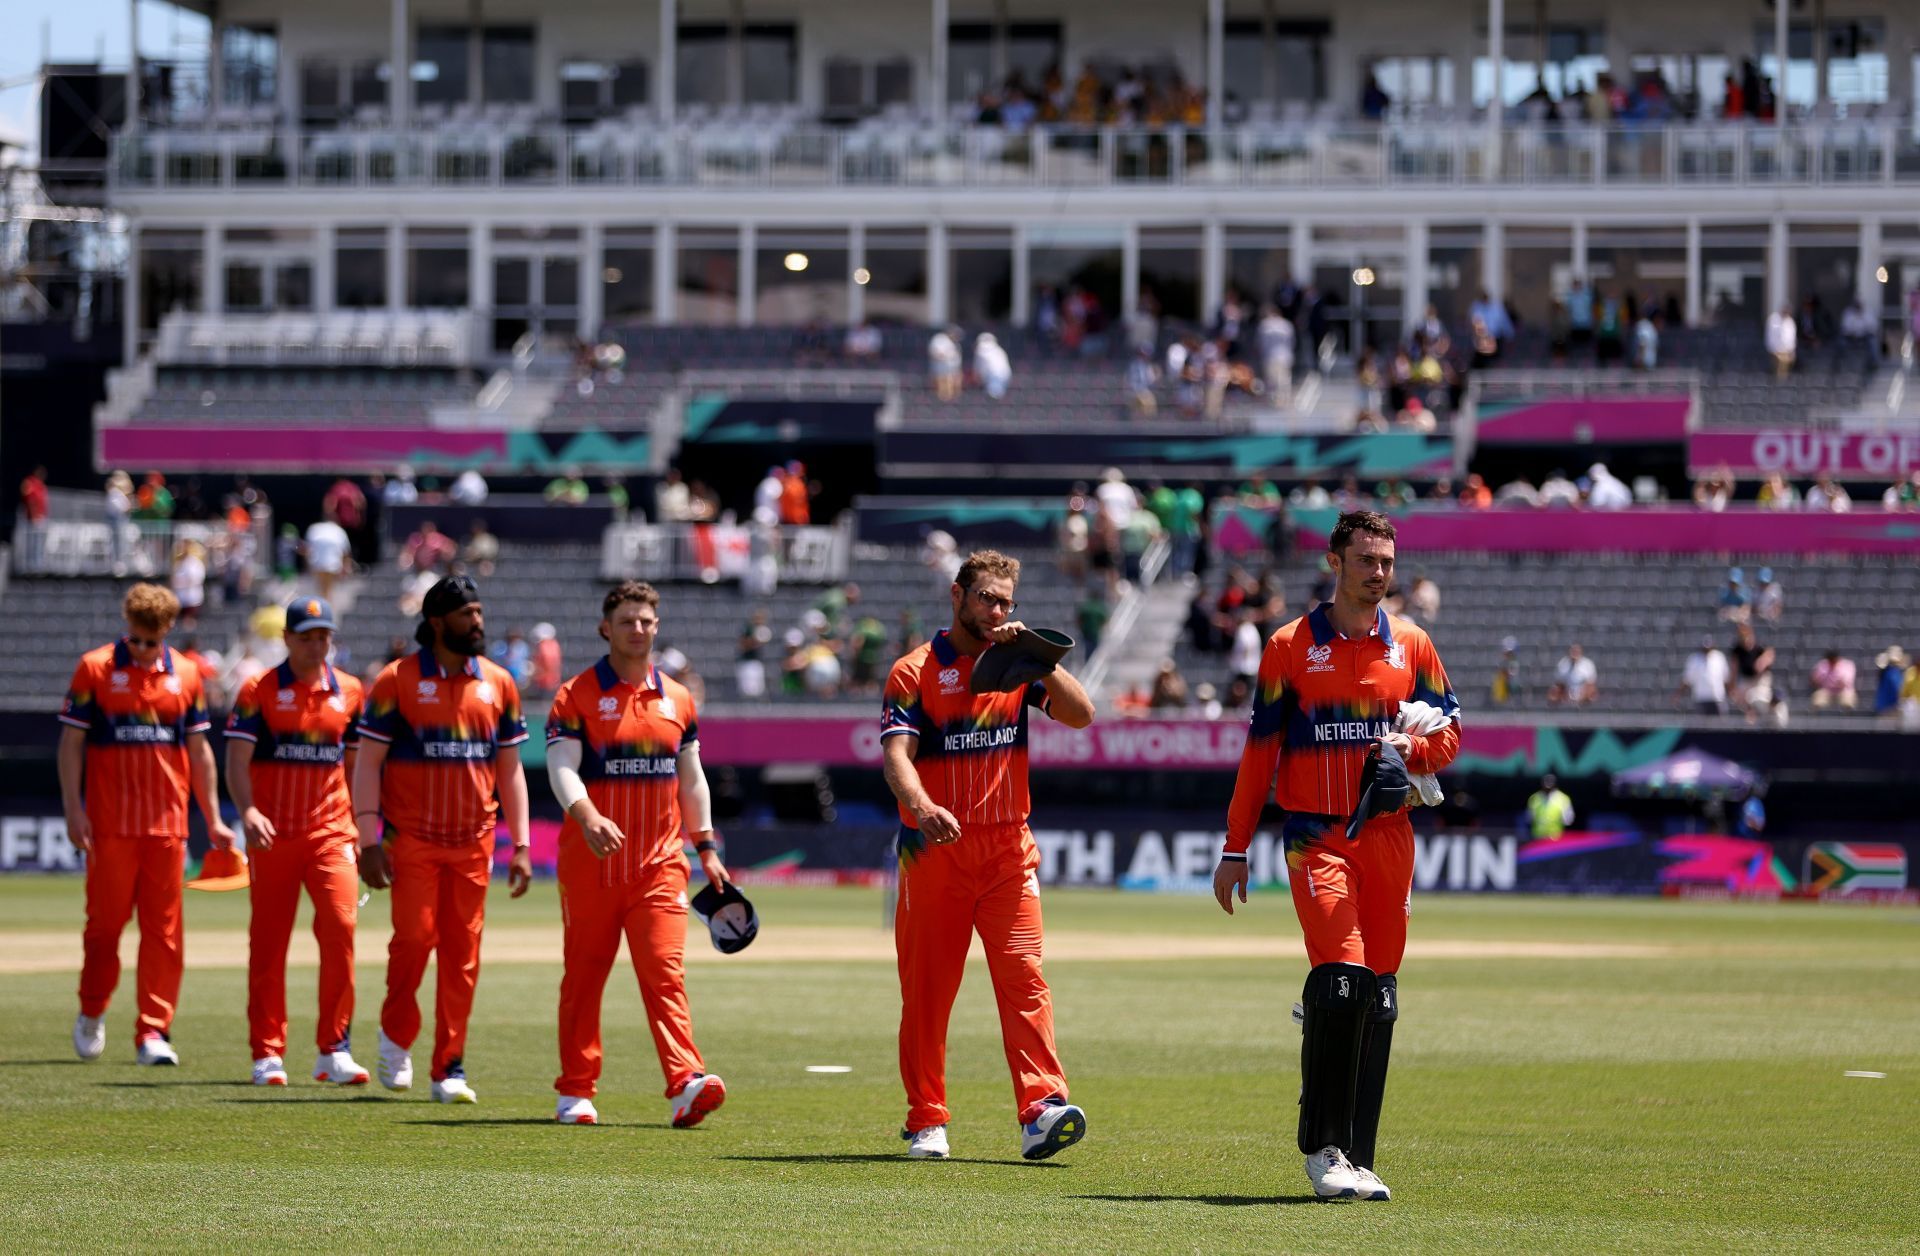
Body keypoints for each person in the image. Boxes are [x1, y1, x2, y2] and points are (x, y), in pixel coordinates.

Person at [1213, 510, 1461, 1201]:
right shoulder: (1291, 646)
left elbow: (1449, 732)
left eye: (1386, 561)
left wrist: (1411, 751)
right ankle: (1323, 1151)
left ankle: (1358, 1155)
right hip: (1315, 835)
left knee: (1378, 995)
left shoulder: (1412, 643)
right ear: (1334, 563)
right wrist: (1235, 847)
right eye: (1365, 560)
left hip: (1390, 837)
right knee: (1344, 973)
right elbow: (1259, 753)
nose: (1378, 572)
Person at [881, 549, 1097, 1162]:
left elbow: (1082, 715)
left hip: (1008, 850)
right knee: (928, 992)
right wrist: (921, 806)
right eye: (987, 599)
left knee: (1025, 980)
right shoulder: (914, 671)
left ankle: (1041, 1108)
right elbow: (897, 757)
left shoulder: (1017, 665)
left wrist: (1039, 658)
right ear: (957, 596)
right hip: (935, 851)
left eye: (1006, 602)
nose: (997, 610)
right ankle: (926, 1116)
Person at [544, 582, 733, 1127]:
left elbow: (691, 778)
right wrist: (588, 816)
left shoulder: (678, 697)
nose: (638, 629)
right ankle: (575, 1089)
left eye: (647, 620)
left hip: (659, 865)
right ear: (606, 627)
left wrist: (707, 846)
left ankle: (685, 1082)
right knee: (584, 976)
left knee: (664, 972)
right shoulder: (575, 695)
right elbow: (561, 766)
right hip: (590, 864)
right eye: (627, 620)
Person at [353, 575, 531, 1104]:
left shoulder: (498, 682)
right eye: (466, 613)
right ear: (437, 622)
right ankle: (395, 1038)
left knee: (462, 954)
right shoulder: (396, 680)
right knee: (414, 941)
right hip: (412, 841)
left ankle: (449, 1066)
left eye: (478, 611)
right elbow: (368, 764)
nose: (477, 621)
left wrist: (520, 844)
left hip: (474, 843)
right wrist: (367, 836)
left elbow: (511, 771)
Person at [60, 583, 237, 1065]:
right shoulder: (95, 668)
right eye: (135, 640)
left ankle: (154, 1030)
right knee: (104, 929)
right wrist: (74, 810)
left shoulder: (185, 673)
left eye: (151, 642)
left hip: (167, 826)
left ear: (167, 633)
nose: (141, 650)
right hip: (110, 826)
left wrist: (216, 820)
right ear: (127, 627)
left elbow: (200, 753)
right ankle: (92, 1010)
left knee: (164, 933)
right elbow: (71, 746)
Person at [224, 597, 371, 1088]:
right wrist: (247, 810)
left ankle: (335, 1048)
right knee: (269, 944)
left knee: (341, 929)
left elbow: (355, 767)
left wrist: (362, 825)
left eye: (323, 635)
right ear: (287, 639)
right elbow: (236, 761)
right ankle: (267, 1051)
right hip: (273, 837)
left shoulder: (350, 691)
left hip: (331, 834)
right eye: (306, 636)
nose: (315, 644)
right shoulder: (258, 690)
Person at [304, 512, 352, 601]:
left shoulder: (314, 529)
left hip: (319, 564)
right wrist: (346, 567)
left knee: (322, 591)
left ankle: (323, 609)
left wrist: (307, 566)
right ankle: (326, 609)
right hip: (331, 564)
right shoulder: (339, 530)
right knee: (327, 591)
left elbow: (308, 550)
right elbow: (345, 552)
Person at [1681, 637, 1730, 715]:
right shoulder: (1694, 659)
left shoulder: (1719, 657)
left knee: (1719, 725)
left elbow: (1726, 679)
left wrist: (1731, 693)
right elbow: (1687, 679)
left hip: (1717, 697)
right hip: (1701, 698)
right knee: (1701, 725)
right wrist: (1679, 694)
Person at [18, 464, 49, 570]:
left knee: (40, 542)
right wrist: (33, 515)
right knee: (31, 542)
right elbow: (30, 501)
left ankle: (38, 564)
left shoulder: (41, 485)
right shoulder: (29, 483)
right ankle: (29, 564)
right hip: (32, 519)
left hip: (41, 518)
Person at [1525, 774, 1574, 840]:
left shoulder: (1563, 798)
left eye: (1550, 782)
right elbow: (1528, 819)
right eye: (1546, 782)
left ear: (1555, 784)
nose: (1548, 784)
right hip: (1537, 837)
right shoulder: (1534, 798)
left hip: (1555, 838)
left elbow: (1568, 820)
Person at [929, 326, 963, 402]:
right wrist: (945, 356)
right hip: (941, 368)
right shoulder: (940, 339)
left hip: (953, 369)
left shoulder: (955, 344)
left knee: (955, 382)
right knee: (943, 382)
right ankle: (943, 399)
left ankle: (953, 399)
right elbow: (935, 353)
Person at [974, 332, 1013, 400]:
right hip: (1005, 374)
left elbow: (978, 367)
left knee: (993, 396)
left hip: (993, 376)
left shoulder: (980, 350)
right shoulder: (999, 350)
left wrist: (978, 377)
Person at [1765, 305, 1797, 377]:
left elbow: (1792, 339)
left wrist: (1792, 351)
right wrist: (1773, 350)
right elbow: (1769, 336)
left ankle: (1783, 382)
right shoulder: (1773, 319)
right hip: (1775, 351)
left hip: (1787, 351)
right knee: (1779, 363)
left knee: (1787, 363)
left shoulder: (1790, 322)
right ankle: (1778, 382)